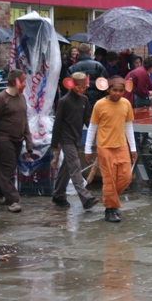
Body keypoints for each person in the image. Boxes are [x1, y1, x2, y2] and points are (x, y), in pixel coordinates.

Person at [84, 76, 137, 223]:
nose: (118, 93)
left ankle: (111, 201)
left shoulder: (126, 104)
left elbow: (128, 126)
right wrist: (88, 148)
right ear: (108, 90)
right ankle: (110, 209)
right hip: (104, 147)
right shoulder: (99, 105)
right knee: (109, 180)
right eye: (115, 90)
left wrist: (133, 147)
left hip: (122, 146)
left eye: (121, 91)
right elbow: (92, 127)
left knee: (126, 178)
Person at [0, 69, 33, 213]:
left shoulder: (22, 98)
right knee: (9, 168)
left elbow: (25, 121)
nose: (25, 84)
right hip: (3, 139)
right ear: (15, 82)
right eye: (23, 82)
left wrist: (28, 141)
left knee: (6, 170)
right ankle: (13, 200)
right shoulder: (1, 99)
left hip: (17, 138)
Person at [50, 72, 99, 211]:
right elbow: (57, 123)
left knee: (67, 167)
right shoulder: (64, 101)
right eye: (78, 86)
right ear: (72, 85)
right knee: (75, 165)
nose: (81, 90)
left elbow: (87, 120)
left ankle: (58, 195)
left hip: (76, 138)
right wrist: (55, 146)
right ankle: (85, 197)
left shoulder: (84, 100)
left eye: (84, 87)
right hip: (66, 139)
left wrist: (97, 133)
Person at [67, 43, 108, 107]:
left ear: (78, 53)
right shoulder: (99, 65)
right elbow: (105, 83)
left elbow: (69, 86)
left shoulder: (72, 68)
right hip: (97, 99)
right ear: (90, 52)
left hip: (79, 99)